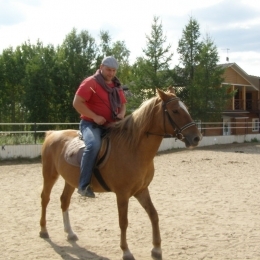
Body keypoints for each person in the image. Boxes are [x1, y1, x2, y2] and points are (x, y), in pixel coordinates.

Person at [73, 56, 127, 198]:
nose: (111, 73)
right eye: (108, 69)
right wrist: (95, 117)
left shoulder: (116, 85)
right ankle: (84, 185)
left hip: (112, 124)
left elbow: (123, 105)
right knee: (94, 145)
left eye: (113, 70)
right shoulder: (91, 83)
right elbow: (77, 103)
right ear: (101, 66)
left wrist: (121, 114)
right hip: (90, 124)